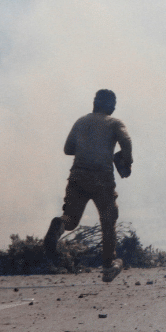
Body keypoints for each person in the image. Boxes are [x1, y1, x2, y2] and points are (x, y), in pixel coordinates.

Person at [44, 89, 133, 282]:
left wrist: (87, 146)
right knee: (108, 221)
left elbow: (68, 149)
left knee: (71, 219)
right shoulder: (115, 123)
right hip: (102, 178)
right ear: (110, 106)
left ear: (95, 103)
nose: (115, 107)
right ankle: (108, 266)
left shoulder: (81, 121)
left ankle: (59, 225)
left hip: (78, 176)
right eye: (114, 103)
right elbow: (126, 140)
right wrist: (128, 161)